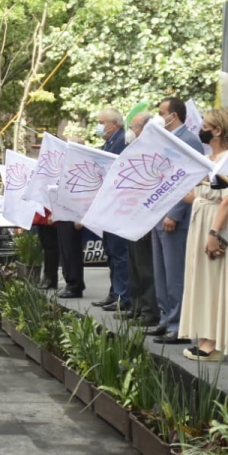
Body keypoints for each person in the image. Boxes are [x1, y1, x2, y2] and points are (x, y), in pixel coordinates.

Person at [178, 110, 228, 361]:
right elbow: (196, 196)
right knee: (202, 280)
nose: (200, 130)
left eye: (205, 126)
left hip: (217, 223)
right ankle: (205, 337)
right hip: (200, 220)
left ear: (217, 130)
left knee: (215, 280)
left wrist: (214, 233)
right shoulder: (207, 160)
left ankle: (214, 344)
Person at [149, 98, 204, 344]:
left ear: (174, 115)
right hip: (158, 216)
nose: (159, 117)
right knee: (161, 274)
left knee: (175, 275)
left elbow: (190, 181)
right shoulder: (165, 139)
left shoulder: (189, 140)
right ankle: (165, 318)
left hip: (175, 219)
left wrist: (175, 213)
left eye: (162, 113)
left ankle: (179, 324)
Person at [94, 107, 131, 313]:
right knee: (110, 251)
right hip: (108, 206)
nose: (99, 127)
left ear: (114, 124)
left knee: (119, 253)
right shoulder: (109, 142)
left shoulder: (122, 141)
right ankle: (114, 292)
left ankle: (123, 295)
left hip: (118, 207)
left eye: (102, 122)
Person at [126, 112, 160, 330]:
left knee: (146, 267)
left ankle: (150, 311)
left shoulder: (154, 151)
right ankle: (137, 306)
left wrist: (147, 220)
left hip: (145, 218)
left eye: (135, 127)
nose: (132, 132)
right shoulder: (137, 150)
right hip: (132, 215)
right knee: (135, 265)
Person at [33, 207, 59, 290]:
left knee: (51, 249)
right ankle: (47, 276)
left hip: (48, 216)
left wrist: (53, 213)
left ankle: (51, 278)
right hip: (42, 216)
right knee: (46, 249)